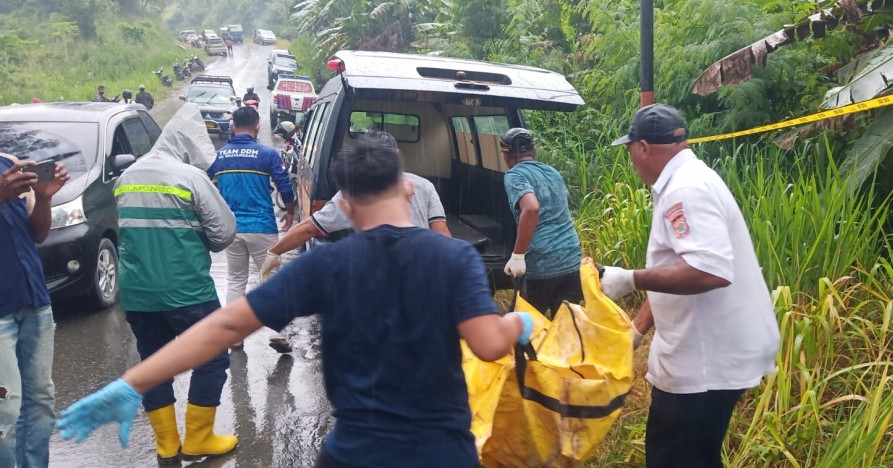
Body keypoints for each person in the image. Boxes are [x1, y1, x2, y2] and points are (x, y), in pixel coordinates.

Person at [56, 134, 535, 467]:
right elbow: (488, 344)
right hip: (440, 455)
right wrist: (519, 327)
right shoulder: (454, 259)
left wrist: (133, 382)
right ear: (408, 188)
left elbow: (224, 328)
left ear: (344, 206)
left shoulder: (324, 266)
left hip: (353, 454)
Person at [600, 103, 780, 468]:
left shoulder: (687, 190)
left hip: (706, 361)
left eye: (630, 149)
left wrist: (630, 279)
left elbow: (709, 269)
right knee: (694, 455)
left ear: (644, 147)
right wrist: (639, 328)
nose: (631, 159)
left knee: (675, 458)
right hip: (706, 351)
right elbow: (675, 265)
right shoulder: (685, 180)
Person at [106, 103, 238, 465]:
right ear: (185, 148)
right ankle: (199, 439)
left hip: (137, 295)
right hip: (188, 292)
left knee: (154, 362)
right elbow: (224, 232)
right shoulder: (190, 178)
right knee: (211, 360)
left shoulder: (126, 178)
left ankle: (167, 446)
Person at [260, 131, 450, 282]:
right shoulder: (424, 185)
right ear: (397, 156)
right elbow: (441, 234)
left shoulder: (355, 190)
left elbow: (310, 227)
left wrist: (275, 251)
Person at [0, 154, 69, 468]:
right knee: (5, 411)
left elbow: (37, 234)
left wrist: (43, 199)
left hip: (34, 301)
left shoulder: (7, 163)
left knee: (40, 402)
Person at [208, 106, 295, 351]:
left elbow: (206, 188)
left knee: (235, 281)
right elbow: (284, 185)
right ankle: (277, 334)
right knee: (270, 279)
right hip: (262, 228)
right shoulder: (267, 154)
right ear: (257, 126)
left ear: (233, 126)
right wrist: (290, 210)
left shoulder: (218, 156)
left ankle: (234, 338)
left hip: (231, 229)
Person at [499, 127, 583, 317]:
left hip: (542, 263)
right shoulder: (551, 171)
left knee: (527, 328)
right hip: (571, 259)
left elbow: (531, 207)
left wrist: (518, 256)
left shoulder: (514, 175)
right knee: (567, 327)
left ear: (506, 155)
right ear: (534, 150)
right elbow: (566, 200)